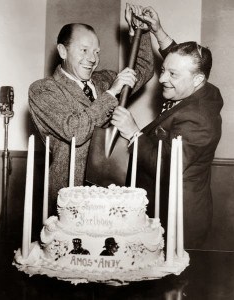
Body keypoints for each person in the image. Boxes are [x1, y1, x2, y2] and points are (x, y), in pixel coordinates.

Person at [111, 6, 223, 248]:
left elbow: (168, 167)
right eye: (163, 71)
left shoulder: (199, 118)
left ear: (197, 80)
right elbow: (182, 61)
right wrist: (158, 32)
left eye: (172, 74)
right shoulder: (202, 89)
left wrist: (133, 133)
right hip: (165, 209)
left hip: (178, 220)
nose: (162, 79)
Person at [29, 4, 155, 215]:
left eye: (96, 51)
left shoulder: (104, 80)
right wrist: (111, 94)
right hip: (69, 195)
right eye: (84, 50)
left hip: (111, 191)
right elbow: (74, 131)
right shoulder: (43, 90)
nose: (93, 58)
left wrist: (139, 33)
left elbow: (142, 70)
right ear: (62, 51)